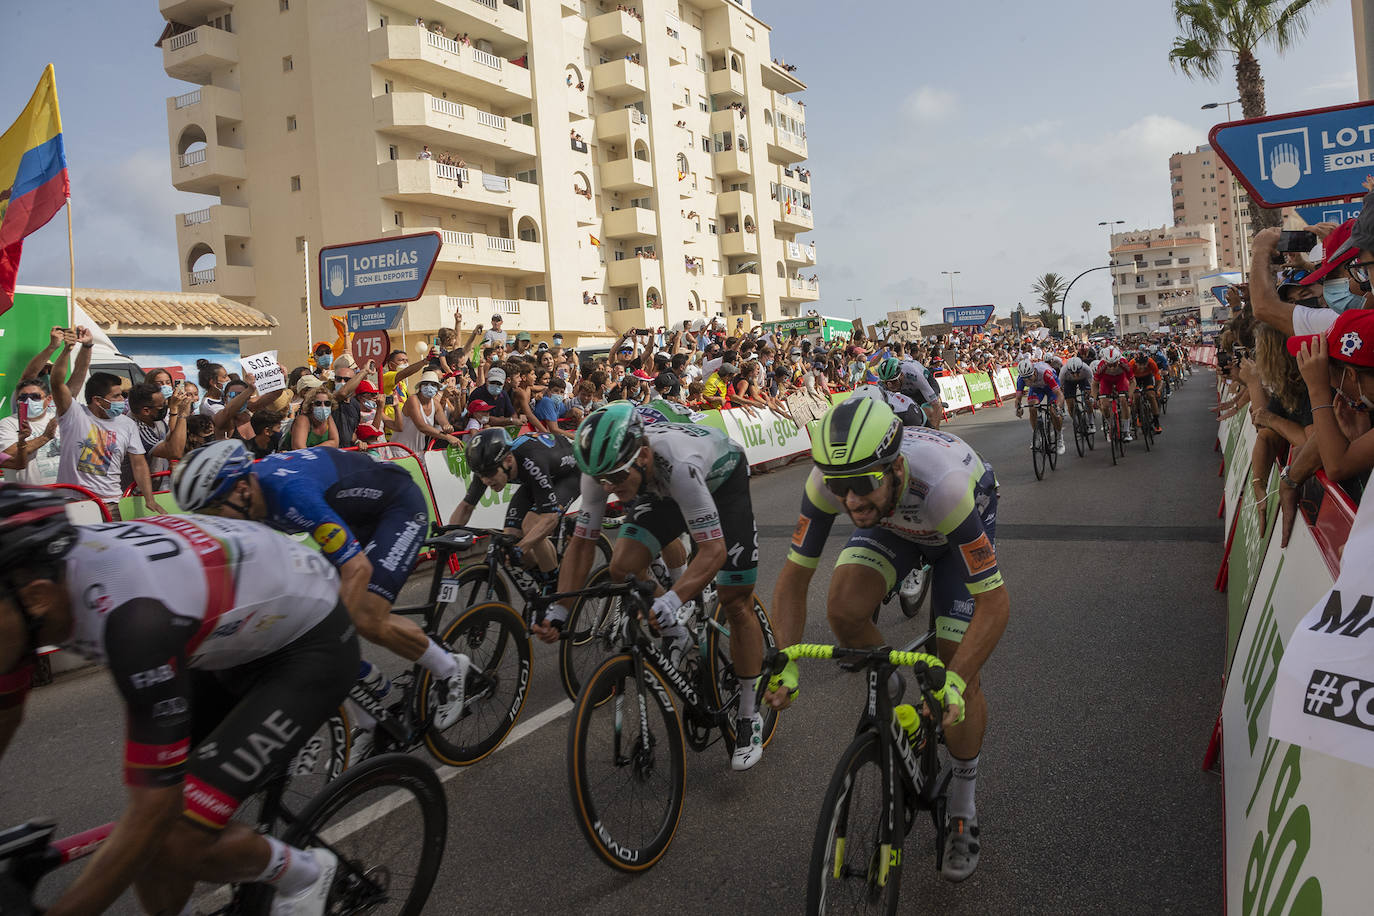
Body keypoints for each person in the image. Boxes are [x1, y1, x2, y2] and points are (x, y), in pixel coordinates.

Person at [0, 486, 352, 914]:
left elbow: (156, 811)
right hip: (232, 630)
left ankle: (306, 874)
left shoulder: (133, 620)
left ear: (36, 597)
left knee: (170, 834)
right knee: (146, 836)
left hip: (310, 639)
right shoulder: (27, 603)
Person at [767, 398, 1005, 880]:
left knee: (957, 671)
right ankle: (896, 699)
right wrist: (785, 661)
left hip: (951, 530)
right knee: (843, 609)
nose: (850, 499)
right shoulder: (829, 484)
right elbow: (793, 581)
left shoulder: (944, 488)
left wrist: (955, 680)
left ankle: (963, 805)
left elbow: (995, 604)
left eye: (862, 484)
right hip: (895, 526)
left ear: (895, 467)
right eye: (840, 487)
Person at [170, 442, 471, 733]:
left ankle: (449, 667)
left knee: (365, 617)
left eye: (213, 510)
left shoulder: (289, 494)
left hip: (397, 506)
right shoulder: (249, 501)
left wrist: (332, 645)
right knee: (303, 612)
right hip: (351, 518)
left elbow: (357, 568)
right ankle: (368, 722)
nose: (211, 522)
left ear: (241, 490)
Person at [534, 403, 767, 770]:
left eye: (615, 477)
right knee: (623, 567)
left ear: (642, 455)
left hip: (721, 483)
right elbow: (582, 543)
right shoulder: (604, 472)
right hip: (656, 487)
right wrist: (559, 610)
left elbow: (713, 550)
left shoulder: (679, 464)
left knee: (735, 601)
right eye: (602, 480)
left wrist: (673, 598)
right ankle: (678, 632)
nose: (608, 488)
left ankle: (750, 714)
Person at [448, 429, 580, 589]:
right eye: (480, 475)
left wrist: (522, 547)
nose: (486, 480)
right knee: (510, 538)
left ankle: (554, 590)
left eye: (489, 474)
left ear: (508, 460)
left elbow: (549, 517)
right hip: (537, 477)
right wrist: (448, 537)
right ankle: (542, 577)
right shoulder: (488, 465)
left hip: (569, 476)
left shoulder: (531, 461)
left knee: (531, 526)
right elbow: (466, 506)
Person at [396, 370, 460, 452]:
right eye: (425, 384)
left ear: (437, 389)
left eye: (433, 385)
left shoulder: (436, 404)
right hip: (400, 450)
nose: (429, 387)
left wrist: (448, 428)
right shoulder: (413, 400)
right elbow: (421, 426)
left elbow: (444, 424)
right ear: (420, 387)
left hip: (418, 451)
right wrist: (447, 437)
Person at [1014, 355, 1066, 455]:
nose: (1028, 381)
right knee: (1032, 407)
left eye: (1029, 377)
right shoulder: (1021, 378)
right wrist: (1018, 408)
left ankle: (1060, 438)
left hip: (1050, 387)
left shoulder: (1046, 373)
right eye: (1025, 379)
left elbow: (1059, 394)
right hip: (1036, 389)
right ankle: (1037, 435)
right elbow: (1018, 398)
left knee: (1053, 411)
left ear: (1034, 372)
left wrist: (1058, 407)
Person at [1093, 346, 1135, 442]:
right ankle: (1110, 425)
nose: (1112, 368)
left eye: (1114, 365)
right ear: (1105, 362)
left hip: (1121, 379)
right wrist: (1096, 399)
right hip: (1106, 381)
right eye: (1109, 365)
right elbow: (1094, 384)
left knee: (1124, 400)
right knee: (1104, 405)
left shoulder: (1124, 363)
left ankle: (1126, 430)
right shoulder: (1101, 365)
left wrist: (1130, 395)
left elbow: (1132, 381)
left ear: (1118, 361)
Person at [289, 384, 340, 449]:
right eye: (318, 403)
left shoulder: (328, 418)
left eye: (327, 403)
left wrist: (314, 450)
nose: (323, 407)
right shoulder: (303, 419)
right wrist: (321, 449)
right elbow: (299, 449)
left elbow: (335, 442)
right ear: (310, 406)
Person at [1128, 346, 1164, 435]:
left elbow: (1158, 379)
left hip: (1147, 378)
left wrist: (1157, 390)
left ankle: (1156, 422)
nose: (1142, 367)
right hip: (1135, 379)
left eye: (1144, 364)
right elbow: (1127, 381)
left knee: (1151, 396)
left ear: (1147, 362)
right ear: (1136, 363)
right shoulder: (1131, 364)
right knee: (1136, 396)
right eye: (1139, 365)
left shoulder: (1151, 362)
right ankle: (1139, 416)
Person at [1058, 355, 1096, 432]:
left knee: (1087, 400)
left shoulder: (1086, 369)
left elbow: (1092, 384)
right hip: (1069, 382)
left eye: (1078, 372)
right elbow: (1060, 388)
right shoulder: (1063, 371)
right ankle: (1076, 421)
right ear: (1069, 370)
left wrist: (1091, 396)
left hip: (1083, 380)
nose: (1075, 375)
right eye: (1072, 373)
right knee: (1070, 404)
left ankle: (1091, 423)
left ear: (1081, 368)